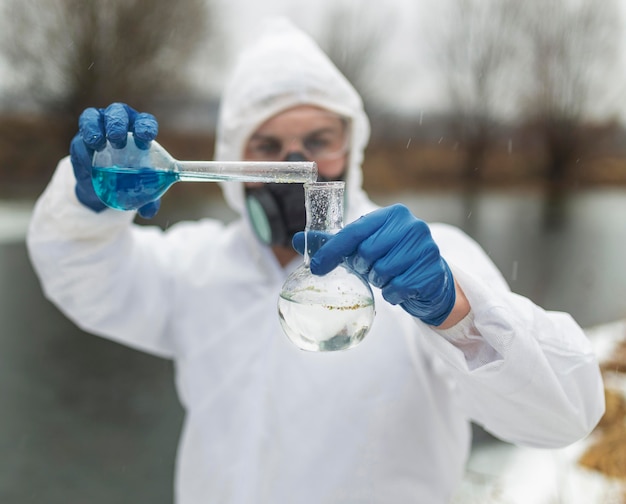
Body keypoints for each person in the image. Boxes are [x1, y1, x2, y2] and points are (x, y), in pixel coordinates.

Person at [27, 17, 604, 504]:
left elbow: (564, 417)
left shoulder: (428, 261)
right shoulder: (198, 266)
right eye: (269, 146)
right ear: (234, 158)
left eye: (318, 140)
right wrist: (86, 206)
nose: (296, 160)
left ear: (350, 148)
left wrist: (455, 310)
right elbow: (81, 277)